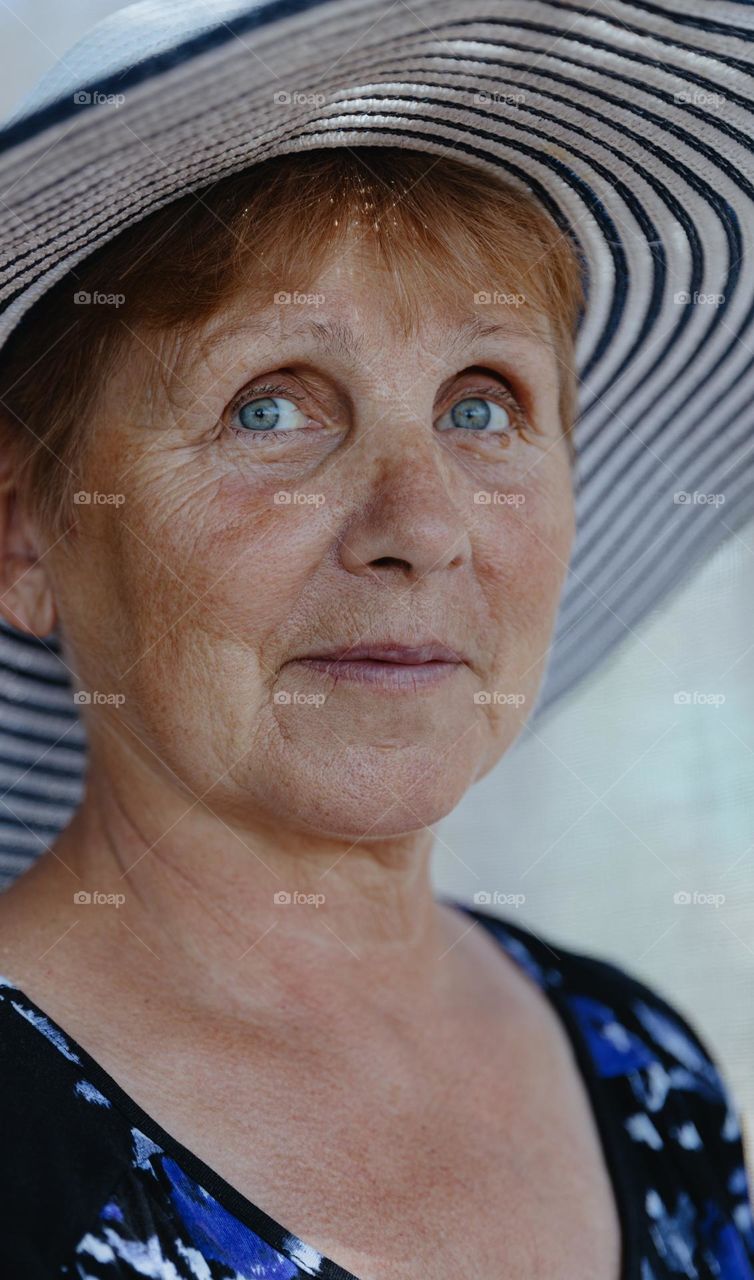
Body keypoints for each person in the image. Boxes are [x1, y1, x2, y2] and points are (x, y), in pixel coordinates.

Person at [0, 3, 751, 1278]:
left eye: (482, 402)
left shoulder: (646, 1062)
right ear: (25, 537)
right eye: (272, 403)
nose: (421, 525)